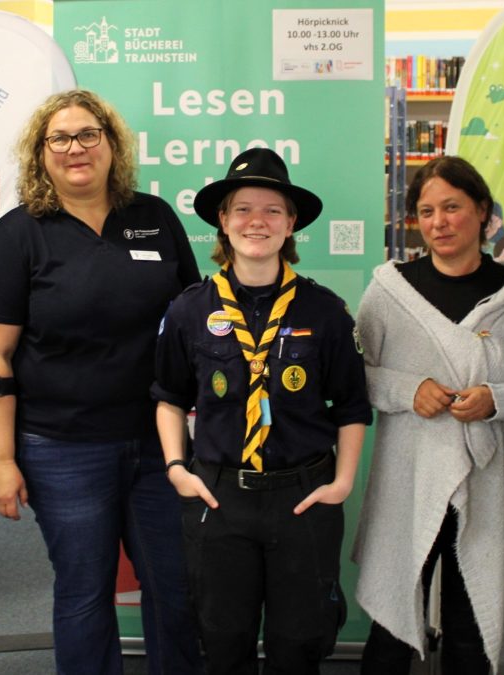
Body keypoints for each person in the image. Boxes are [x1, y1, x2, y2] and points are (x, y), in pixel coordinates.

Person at [0, 89, 202, 674]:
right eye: (60, 138)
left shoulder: (153, 217)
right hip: (62, 447)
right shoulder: (21, 233)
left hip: (159, 445)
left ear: (111, 144)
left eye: (89, 135)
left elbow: (191, 327)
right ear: (41, 154)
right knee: (84, 592)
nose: (76, 148)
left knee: (176, 587)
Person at [152, 147, 373, 674]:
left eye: (273, 210)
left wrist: (342, 484)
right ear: (222, 223)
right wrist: (176, 469)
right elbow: (168, 397)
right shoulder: (189, 310)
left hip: (303, 497)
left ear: (291, 223)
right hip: (219, 495)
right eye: (243, 209)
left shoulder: (325, 311)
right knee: (223, 640)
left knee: (300, 643)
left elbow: (351, 406)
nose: (257, 221)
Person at [352, 155, 504, 674]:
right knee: (392, 622)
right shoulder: (390, 291)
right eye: (427, 211)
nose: (439, 222)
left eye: (453, 207)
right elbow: (354, 376)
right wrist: (408, 390)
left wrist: (496, 399)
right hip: (407, 476)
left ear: (482, 211)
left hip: (485, 479)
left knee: (471, 621)